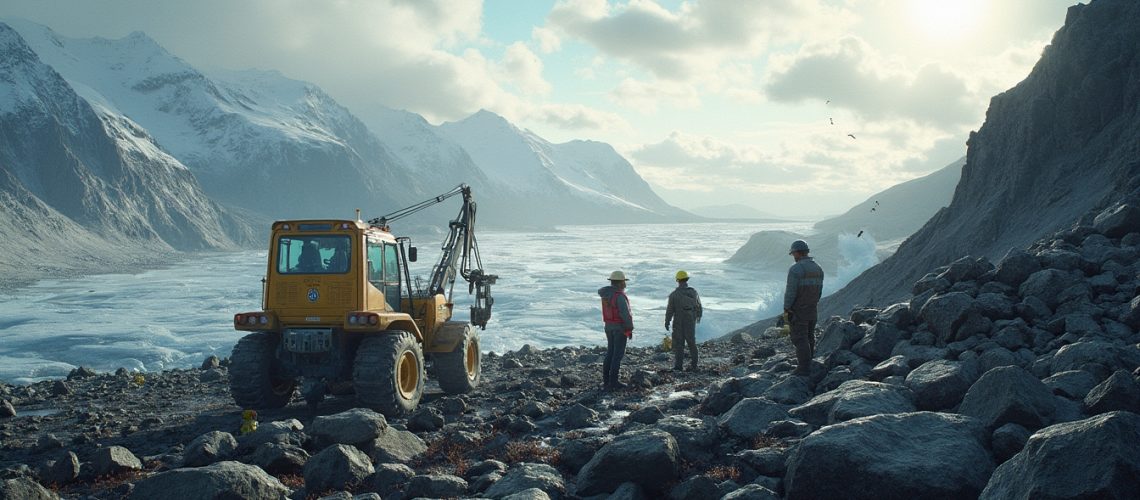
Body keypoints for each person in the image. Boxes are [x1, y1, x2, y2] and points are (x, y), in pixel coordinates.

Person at [784, 240, 824, 376]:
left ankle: (803, 368)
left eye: (793, 253)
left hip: (799, 309)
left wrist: (787, 308)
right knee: (809, 336)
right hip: (812, 307)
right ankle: (809, 363)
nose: (793, 256)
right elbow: (819, 291)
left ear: (797, 252)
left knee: (799, 338)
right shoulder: (818, 268)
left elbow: (791, 292)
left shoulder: (796, 269)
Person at [598, 270, 634, 390]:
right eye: (624, 281)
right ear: (620, 283)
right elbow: (625, 314)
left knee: (610, 353)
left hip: (608, 327)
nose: (625, 284)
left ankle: (606, 381)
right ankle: (614, 382)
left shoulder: (606, 295)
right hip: (619, 328)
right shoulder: (619, 296)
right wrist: (629, 328)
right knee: (617, 355)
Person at [665, 270, 702, 372]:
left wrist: (667, 321)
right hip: (690, 321)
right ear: (686, 279)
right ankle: (694, 365)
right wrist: (697, 317)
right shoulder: (693, 292)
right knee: (691, 343)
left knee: (679, 344)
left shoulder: (674, 295)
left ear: (677, 280)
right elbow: (698, 306)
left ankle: (678, 366)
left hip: (678, 322)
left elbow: (670, 310)